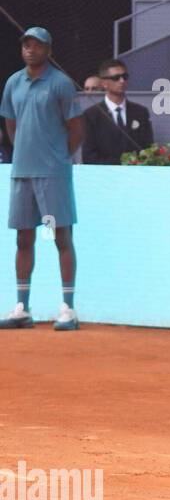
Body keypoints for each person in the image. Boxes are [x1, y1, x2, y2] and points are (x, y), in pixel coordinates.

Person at [1, 27, 82, 330]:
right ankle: (22, 307)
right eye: (26, 45)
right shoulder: (13, 83)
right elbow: (11, 126)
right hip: (22, 173)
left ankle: (68, 309)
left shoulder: (61, 85)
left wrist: (58, 159)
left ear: (49, 50)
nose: (30, 50)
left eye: (37, 45)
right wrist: (25, 152)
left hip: (53, 176)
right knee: (24, 238)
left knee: (60, 236)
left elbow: (76, 129)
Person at [79, 59, 153, 166]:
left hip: (135, 176)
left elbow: (148, 149)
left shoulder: (141, 112)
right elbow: (89, 155)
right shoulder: (91, 115)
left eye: (125, 77)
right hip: (105, 177)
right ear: (104, 83)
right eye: (116, 78)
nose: (122, 81)